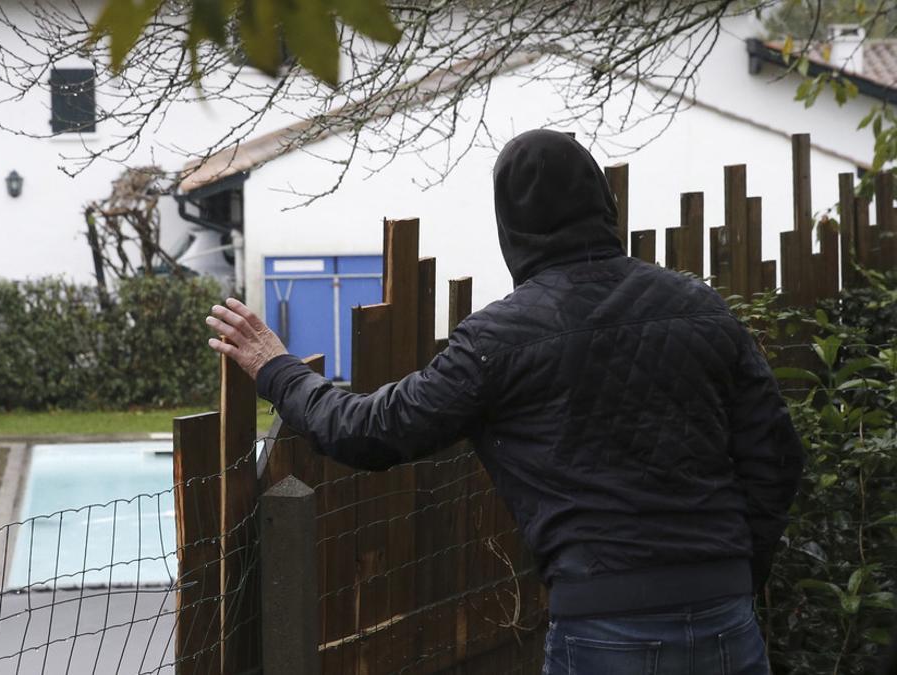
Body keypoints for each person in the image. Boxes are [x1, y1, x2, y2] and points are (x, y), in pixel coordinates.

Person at [204, 129, 804, 674]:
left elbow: (371, 430)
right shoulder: (699, 307)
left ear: (510, 228)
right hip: (726, 615)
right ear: (605, 204)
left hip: (606, 628)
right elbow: (777, 454)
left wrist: (275, 369)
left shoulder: (500, 340)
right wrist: (736, 573)